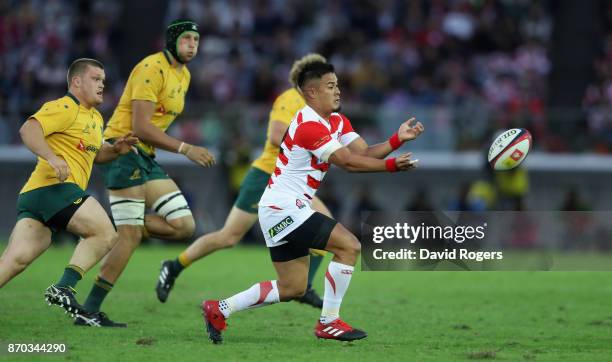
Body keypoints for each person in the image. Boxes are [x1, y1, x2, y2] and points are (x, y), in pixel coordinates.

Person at [202, 60, 424, 343]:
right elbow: (349, 164)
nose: (338, 91)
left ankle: (220, 309)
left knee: (292, 287)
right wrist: (392, 166)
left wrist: (397, 140)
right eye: (331, 86)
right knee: (349, 246)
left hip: (284, 207)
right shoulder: (308, 125)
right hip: (283, 206)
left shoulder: (337, 121)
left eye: (338, 85)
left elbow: (365, 153)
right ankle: (329, 322)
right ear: (311, 93)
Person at [156, 54, 336, 308]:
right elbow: (275, 135)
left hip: (292, 184)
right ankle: (173, 266)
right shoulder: (291, 98)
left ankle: (304, 286)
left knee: (326, 231)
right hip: (266, 177)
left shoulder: (316, 109)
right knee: (228, 237)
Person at [76, 19, 214, 328]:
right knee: (130, 237)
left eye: (196, 39)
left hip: (146, 156)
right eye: (187, 38)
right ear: (172, 41)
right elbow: (139, 127)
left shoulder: (185, 75)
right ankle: (89, 310)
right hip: (123, 149)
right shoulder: (151, 68)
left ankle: (119, 225)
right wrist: (185, 148)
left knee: (183, 225)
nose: (193, 44)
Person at [0, 59, 138, 321]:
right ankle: (63, 287)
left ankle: (63, 287)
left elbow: (95, 155)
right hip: (55, 188)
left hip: (37, 195)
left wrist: (115, 150)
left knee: (14, 260)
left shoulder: (95, 118)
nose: (102, 85)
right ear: (76, 82)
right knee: (106, 233)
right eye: (96, 79)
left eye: (103, 80)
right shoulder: (64, 107)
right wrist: (52, 158)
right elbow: (28, 129)